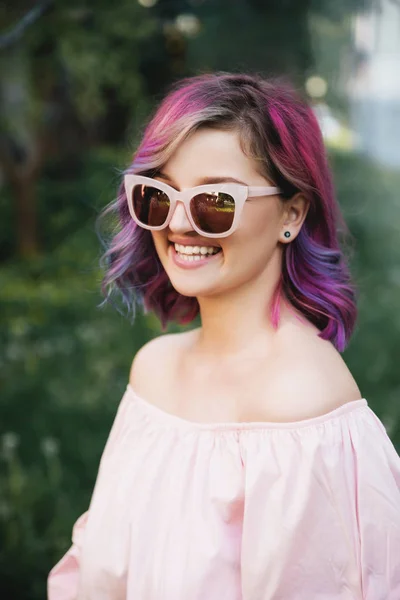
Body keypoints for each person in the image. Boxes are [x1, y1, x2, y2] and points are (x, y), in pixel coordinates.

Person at [47, 72, 400, 599]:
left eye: (215, 201)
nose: (179, 224)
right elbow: (101, 573)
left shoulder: (303, 408)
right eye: (159, 196)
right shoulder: (155, 367)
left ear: (292, 213)